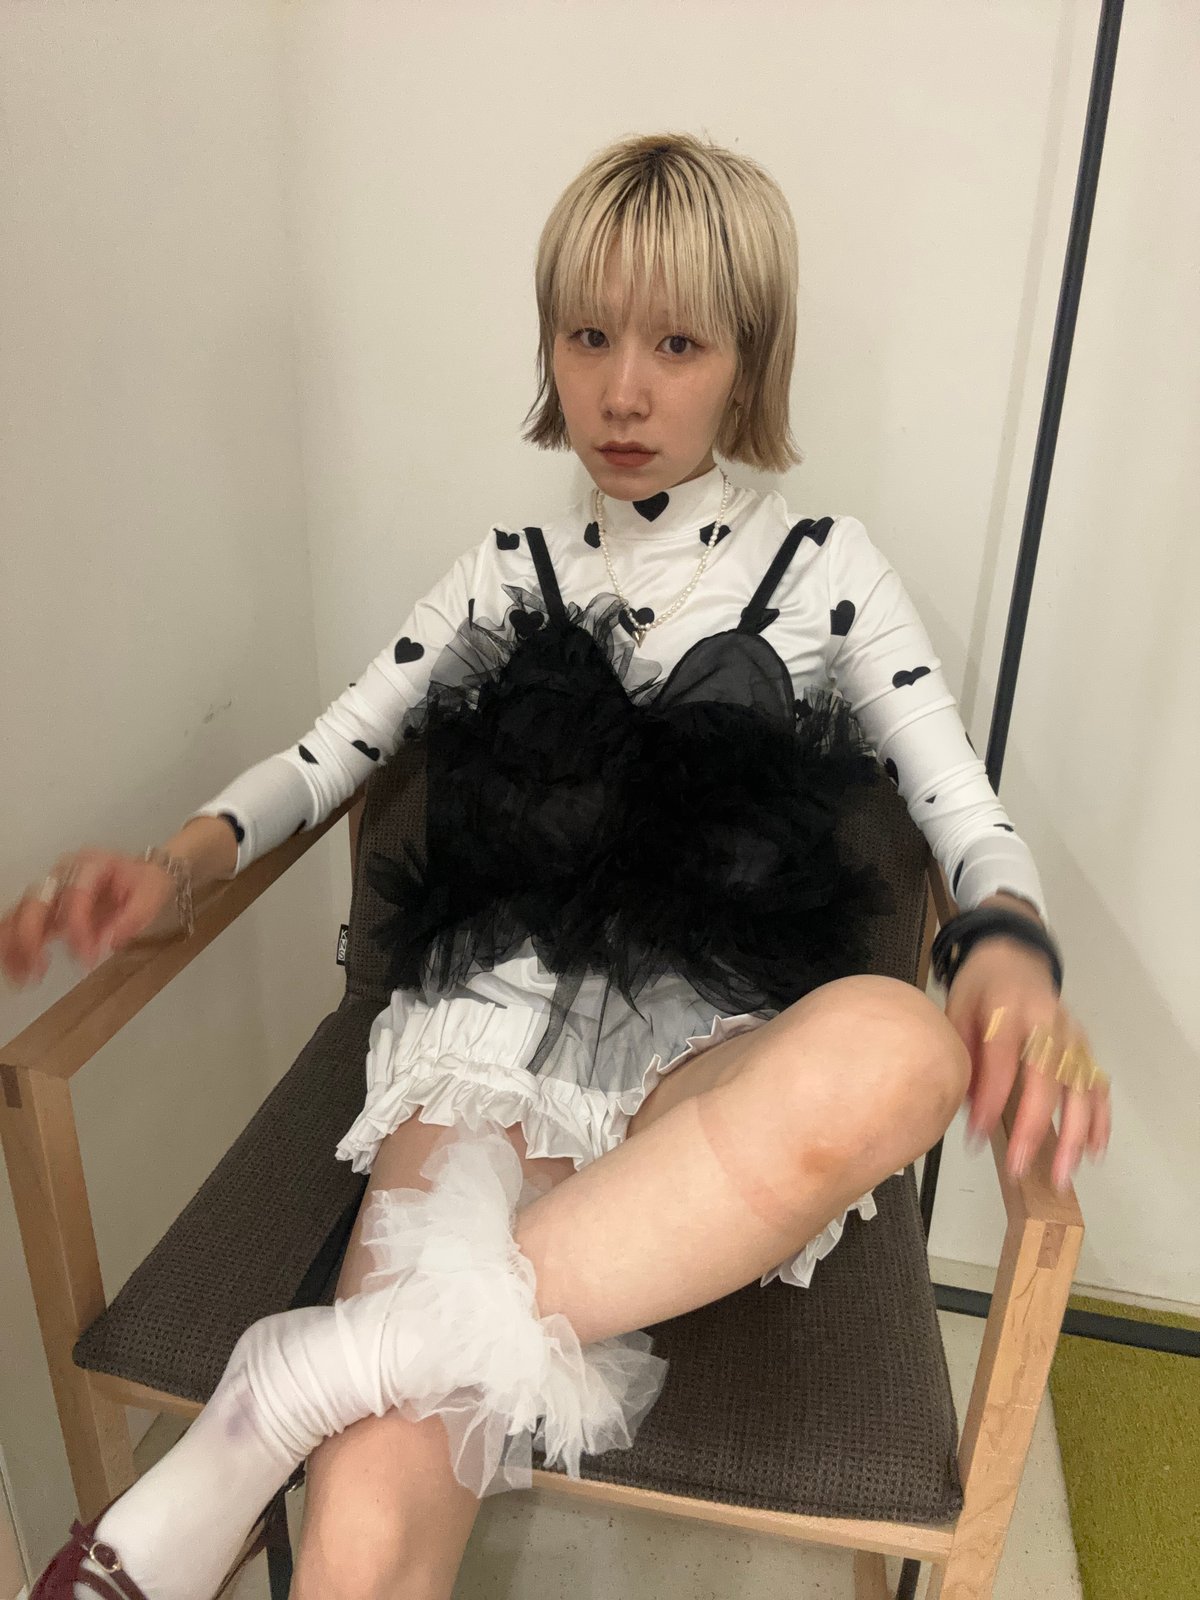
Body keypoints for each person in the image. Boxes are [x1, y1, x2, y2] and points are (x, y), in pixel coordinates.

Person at [5, 132, 1110, 1600]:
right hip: (491, 1045)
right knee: (359, 1538)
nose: (623, 390)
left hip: (711, 1057)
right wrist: (178, 867)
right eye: (588, 337)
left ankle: (301, 1375)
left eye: (677, 344)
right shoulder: (501, 569)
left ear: (749, 358)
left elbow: (963, 813)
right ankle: (341, 1388)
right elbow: (329, 756)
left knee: (901, 1051)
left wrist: (1012, 953)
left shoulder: (829, 567)